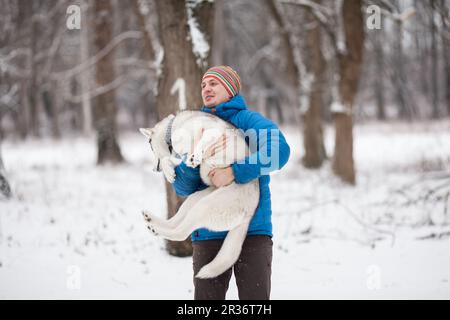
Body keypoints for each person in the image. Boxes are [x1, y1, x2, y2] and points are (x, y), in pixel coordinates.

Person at [171, 65, 290, 300]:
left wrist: (235, 172)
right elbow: (182, 187)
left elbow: (279, 151)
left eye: (214, 83)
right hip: (208, 234)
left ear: (230, 88)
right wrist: (192, 159)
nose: (206, 88)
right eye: (203, 85)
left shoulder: (249, 122)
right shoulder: (199, 126)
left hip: (252, 232)